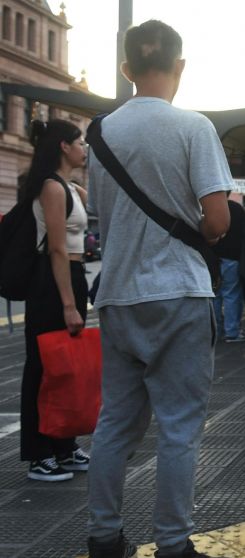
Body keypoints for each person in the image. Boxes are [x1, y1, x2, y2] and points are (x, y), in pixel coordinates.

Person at [85, 20, 232, 558]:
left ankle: (104, 536)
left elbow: (101, 215)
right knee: (178, 427)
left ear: (126, 70)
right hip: (179, 293)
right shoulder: (193, 128)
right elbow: (216, 221)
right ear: (180, 66)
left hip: (117, 295)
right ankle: (172, 543)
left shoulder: (98, 134)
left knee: (115, 424)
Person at [18, 119, 90, 483]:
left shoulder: (71, 188)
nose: (84, 148)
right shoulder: (51, 188)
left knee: (64, 367)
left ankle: (64, 445)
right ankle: (38, 452)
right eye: (80, 142)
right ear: (64, 146)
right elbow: (57, 250)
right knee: (43, 366)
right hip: (51, 281)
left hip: (70, 277)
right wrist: (68, 304)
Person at [210, 192, 245, 342]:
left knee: (215, 295)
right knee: (231, 294)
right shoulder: (236, 208)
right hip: (232, 258)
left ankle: (215, 330)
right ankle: (232, 332)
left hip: (212, 259)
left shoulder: (208, 209)